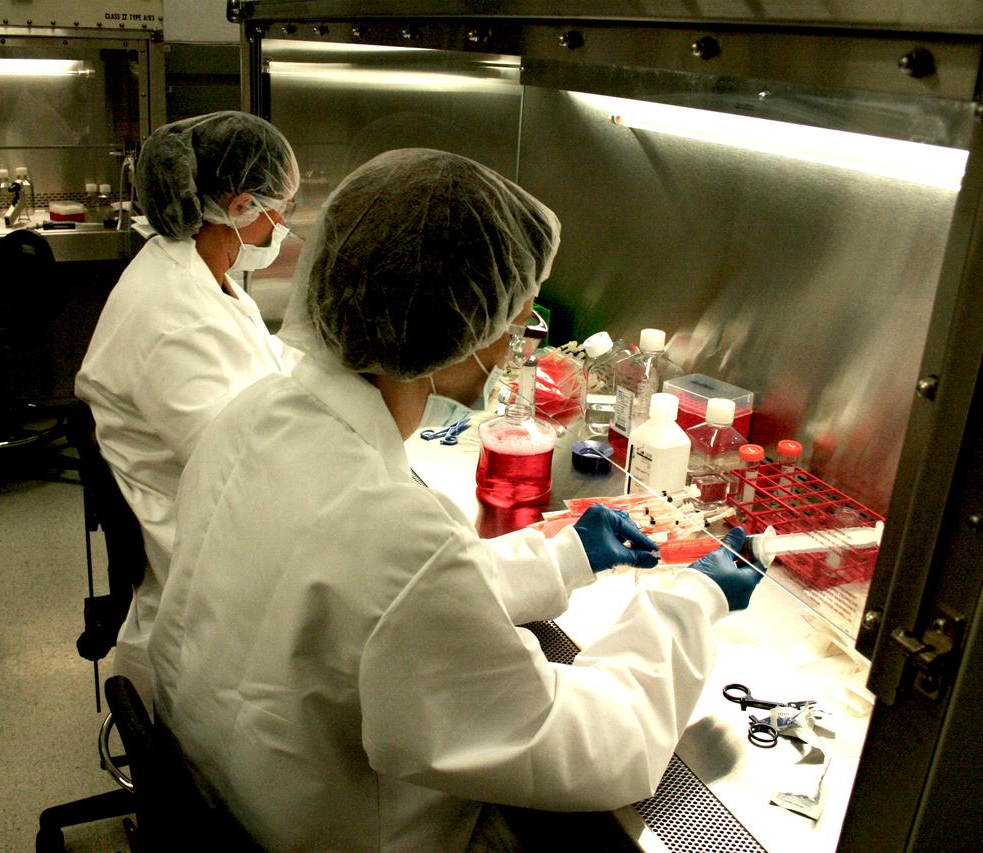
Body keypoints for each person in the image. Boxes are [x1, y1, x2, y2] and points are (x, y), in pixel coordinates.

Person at [148, 149, 765, 849]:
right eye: (507, 305)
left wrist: (561, 558)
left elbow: (392, 604)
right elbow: (588, 744)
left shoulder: (257, 414)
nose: (523, 322)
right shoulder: (391, 534)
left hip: (235, 796)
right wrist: (689, 606)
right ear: (438, 319)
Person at [75, 111, 302, 706]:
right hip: (208, 573)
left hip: (219, 520)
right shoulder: (174, 312)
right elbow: (242, 473)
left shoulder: (197, 272)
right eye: (281, 209)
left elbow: (263, 361)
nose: (282, 225)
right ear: (243, 204)